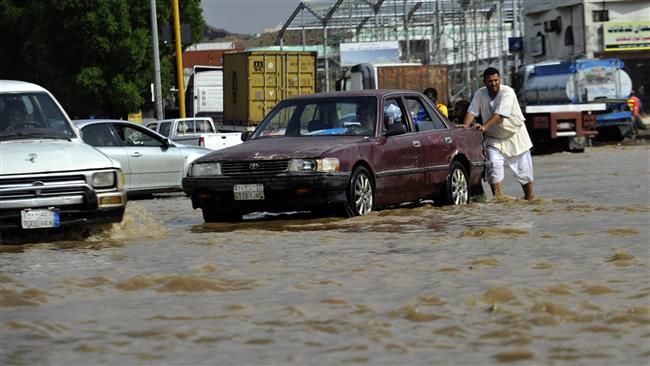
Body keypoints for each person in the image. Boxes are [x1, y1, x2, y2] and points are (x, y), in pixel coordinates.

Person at [461, 67, 535, 201]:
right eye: (490, 81)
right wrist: (465, 126)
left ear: (500, 79)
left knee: (524, 173)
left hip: (515, 135)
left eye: (496, 80)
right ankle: (499, 200)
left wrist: (484, 127)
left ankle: (530, 199)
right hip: (494, 139)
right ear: (484, 82)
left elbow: (500, 115)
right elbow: (472, 111)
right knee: (493, 167)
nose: (493, 83)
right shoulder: (480, 93)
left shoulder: (508, 92)